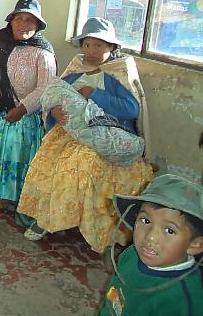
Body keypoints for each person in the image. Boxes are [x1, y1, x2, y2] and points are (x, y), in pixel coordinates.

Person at [17, 17, 153, 252]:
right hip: (71, 132)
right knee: (47, 159)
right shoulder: (76, 69)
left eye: (99, 45)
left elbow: (131, 109)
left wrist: (96, 94)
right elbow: (53, 97)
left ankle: (90, 224)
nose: (91, 51)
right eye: (87, 45)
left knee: (83, 161)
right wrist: (54, 113)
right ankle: (45, 217)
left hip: (108, 133)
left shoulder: (118, 72)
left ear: (111, 47)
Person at [0, 0, 56, 219]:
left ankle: (6, 195)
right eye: (19, 18)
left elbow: (46, 88)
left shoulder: (43, 53)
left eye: (30, 20)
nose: (23, 24)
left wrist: (22, 109)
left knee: (14, 146)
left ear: (37, 25)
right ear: (10, 21)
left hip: (24, 115)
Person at [99, 174, 203, 315]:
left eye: (169, 230)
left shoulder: (182, 303)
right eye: (145, 221)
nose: (150, 237)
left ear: (195, 245)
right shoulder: (132, 253)